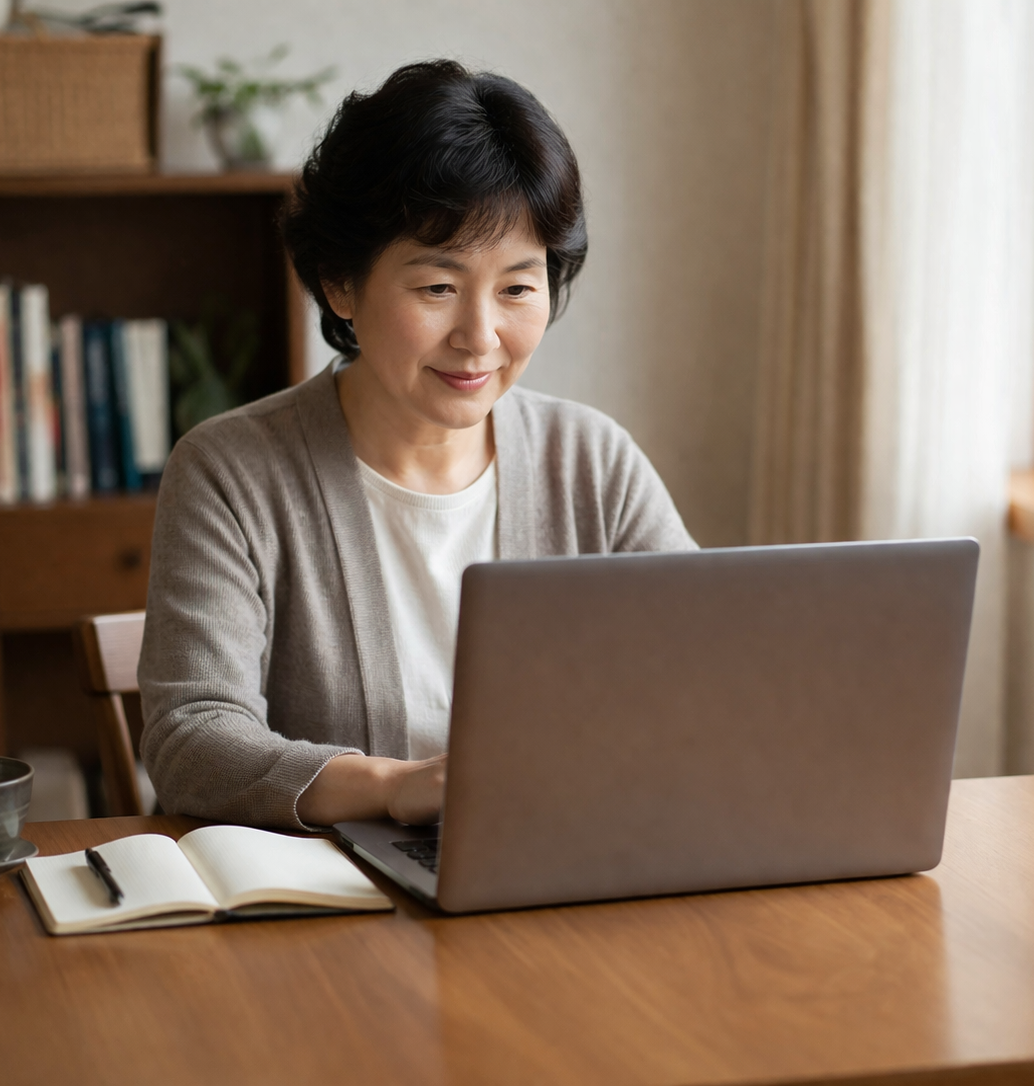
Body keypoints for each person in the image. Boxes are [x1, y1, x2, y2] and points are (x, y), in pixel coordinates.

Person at [137, 60, 695, 831]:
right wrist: (394, 786)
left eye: (518, 287)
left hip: (554, 879)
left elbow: (706, 676)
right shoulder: (232, 472)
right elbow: (192, 741)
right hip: (329, 920)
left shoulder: (591, 461)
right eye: (437, 287)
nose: (480, 336)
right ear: (341, 284)